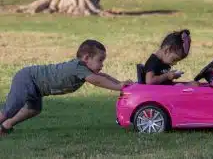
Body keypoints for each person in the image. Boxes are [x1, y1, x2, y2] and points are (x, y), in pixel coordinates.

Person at [0, 39, 133, 136]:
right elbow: (97, 81)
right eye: (100, 60)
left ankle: (6, 126)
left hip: (37, 86)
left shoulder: (85, 69)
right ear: (86, 58)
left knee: (33, 109)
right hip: (28, 78)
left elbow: (102, 76)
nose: (102, 64)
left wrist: (120, 84)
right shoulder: (79, 68)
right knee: (10, 109)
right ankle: (5, 120)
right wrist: (117, 87)